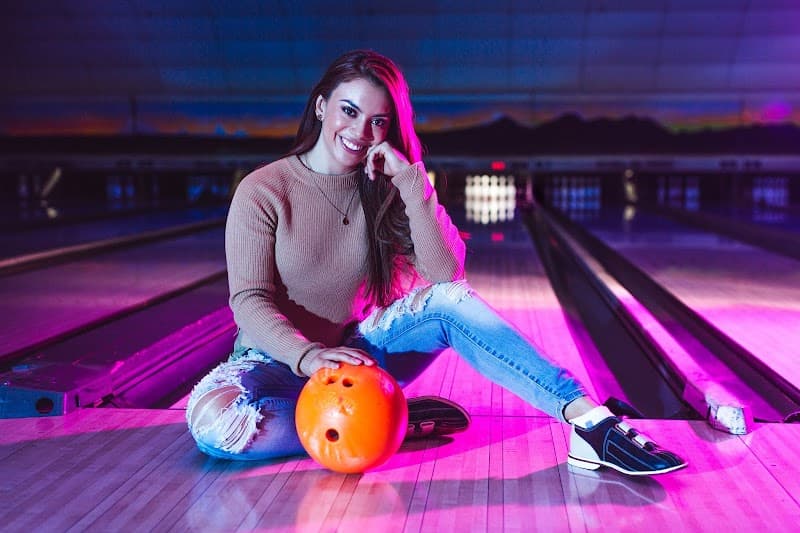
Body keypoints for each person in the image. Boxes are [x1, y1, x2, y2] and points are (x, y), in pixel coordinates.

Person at [186, 50, 687, 476]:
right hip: (273, 364)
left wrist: (411, 182)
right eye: (349, 111)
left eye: (378, 121)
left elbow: (448, 276)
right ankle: (385, 423)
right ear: (320, 106)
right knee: (214, 425)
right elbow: (249, 301)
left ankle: (589, 421)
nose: (360, 131)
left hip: (358, 358)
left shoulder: (384, 186)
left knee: (448, 301)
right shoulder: (264, 190)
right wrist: (307, 356)